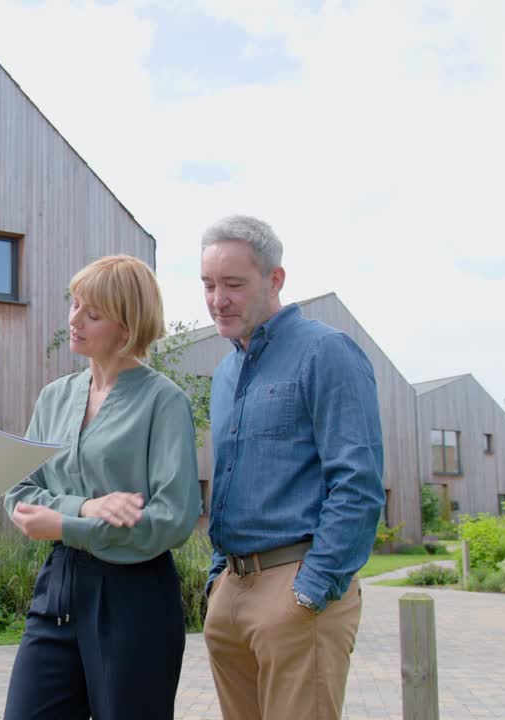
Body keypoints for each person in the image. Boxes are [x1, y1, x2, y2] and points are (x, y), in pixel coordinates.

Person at [199, 215, 384, 720]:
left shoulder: (326, 352)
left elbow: (358, 484)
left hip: (297, 590)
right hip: (231, 591)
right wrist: (219, 581)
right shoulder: (225, 373)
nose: (218, 299)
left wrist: (311, 588)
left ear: (275, 279)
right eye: (209, 284)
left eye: (234, 284)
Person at [2, 255, 200, 720]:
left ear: (128, 327)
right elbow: (20, 492)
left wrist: (65, 525)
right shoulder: (55, 396)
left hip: (134, 598)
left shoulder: (164, 402)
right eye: (74, 305)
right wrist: (86, 509)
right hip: (58, 588)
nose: (74, 320)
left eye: (92, 313)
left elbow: (172, 518)